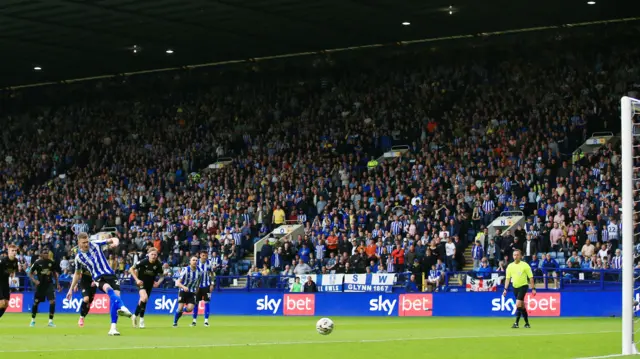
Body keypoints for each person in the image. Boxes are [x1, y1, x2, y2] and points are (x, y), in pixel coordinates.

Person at [66, 232, 132, 336]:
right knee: (108, 290)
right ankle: (123, 308)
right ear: (79, 243)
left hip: (110, 274)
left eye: (87, 241)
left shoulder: (95, 244)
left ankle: (113, 328)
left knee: (116, 298)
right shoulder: (79, 257)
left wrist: (115, 243)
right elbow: (77, 274)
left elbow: (113, 239)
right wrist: (71, 289)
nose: (86, 244)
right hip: (97, 277)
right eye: (84, 242)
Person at [129, 247, 164, 329]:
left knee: (143, 300)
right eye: (152, 254)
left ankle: (135, 315)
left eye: (155, 254)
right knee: (144, 298)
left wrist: (158, 282)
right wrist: (137, 280)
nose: (154, 256)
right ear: (148, 255)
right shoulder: (143, 262)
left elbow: (162, 276)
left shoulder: (158, 264)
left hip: (150, 285)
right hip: (141, 283)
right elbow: (131, 269)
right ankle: (141, 320)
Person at [502, 249, 536, 329]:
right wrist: (505, 289)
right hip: (515, 287)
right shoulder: (510, 266)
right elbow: (507, 279)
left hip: (523, 286)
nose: (516, 256)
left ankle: (516, 323)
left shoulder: (525, 265)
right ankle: (527, 323)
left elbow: (531, 277)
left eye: (517, 255)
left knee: (517, 304)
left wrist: (533, 288)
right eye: (514, 255)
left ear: (520, 256)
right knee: (522, 306)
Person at [28, 248, 61, 327]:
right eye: (45, 253)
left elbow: (54, 274)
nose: (46, 254)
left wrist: (57, 283)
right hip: (40, 285)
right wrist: (35, 281)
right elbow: (30, 273)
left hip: (49, 284)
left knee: (52, 301)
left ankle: (50, 321)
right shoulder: (37, 262)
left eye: (47, 253)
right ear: (41, 254)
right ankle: (32, 320)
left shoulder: (51, 262)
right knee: (36, 302)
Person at [173, 256, 203, 327]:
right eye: (193, 260)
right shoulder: (185, 270)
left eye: (196, 260)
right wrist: (184, 287)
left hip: (192, 292)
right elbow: (178, 282)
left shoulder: (200, 271)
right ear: (190, 261)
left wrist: (197, 289)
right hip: (183, 291)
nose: (195, 261)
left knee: (190, 309)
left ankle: (182, 311)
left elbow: (198, 281)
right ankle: (175, 322)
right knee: (179, 308)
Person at [192, 250, 214, 327]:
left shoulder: (209, 263)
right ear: (200, 255)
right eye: (203, 255)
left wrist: (212, 284)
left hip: (207, 286)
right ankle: (194, 321)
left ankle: (206, 321)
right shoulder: (196, 263)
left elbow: (212, 273)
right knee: (195, 303)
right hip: (197, 287)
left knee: (207, 302)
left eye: (205, 255)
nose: (204, 257)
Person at [74, 261, 96, 328]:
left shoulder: (95, 265)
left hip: (93, 285)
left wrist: (95, 281)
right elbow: (79, 275)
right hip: (84, 284)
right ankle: (81, 317)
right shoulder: (83, 265)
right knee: (86, 299)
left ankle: (83, 317)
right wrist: (76, 284)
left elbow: (99, 275)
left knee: (89, 304)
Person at [0, 245, 19, 320]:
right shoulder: (2, 261)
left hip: (5, 283)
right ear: (8, 252)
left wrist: (13, 277)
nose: (14, 252)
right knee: (2, 302)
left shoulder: (15, 261)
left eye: (15, 251)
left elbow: (13, 271)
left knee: (6, 304)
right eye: (12, 251)